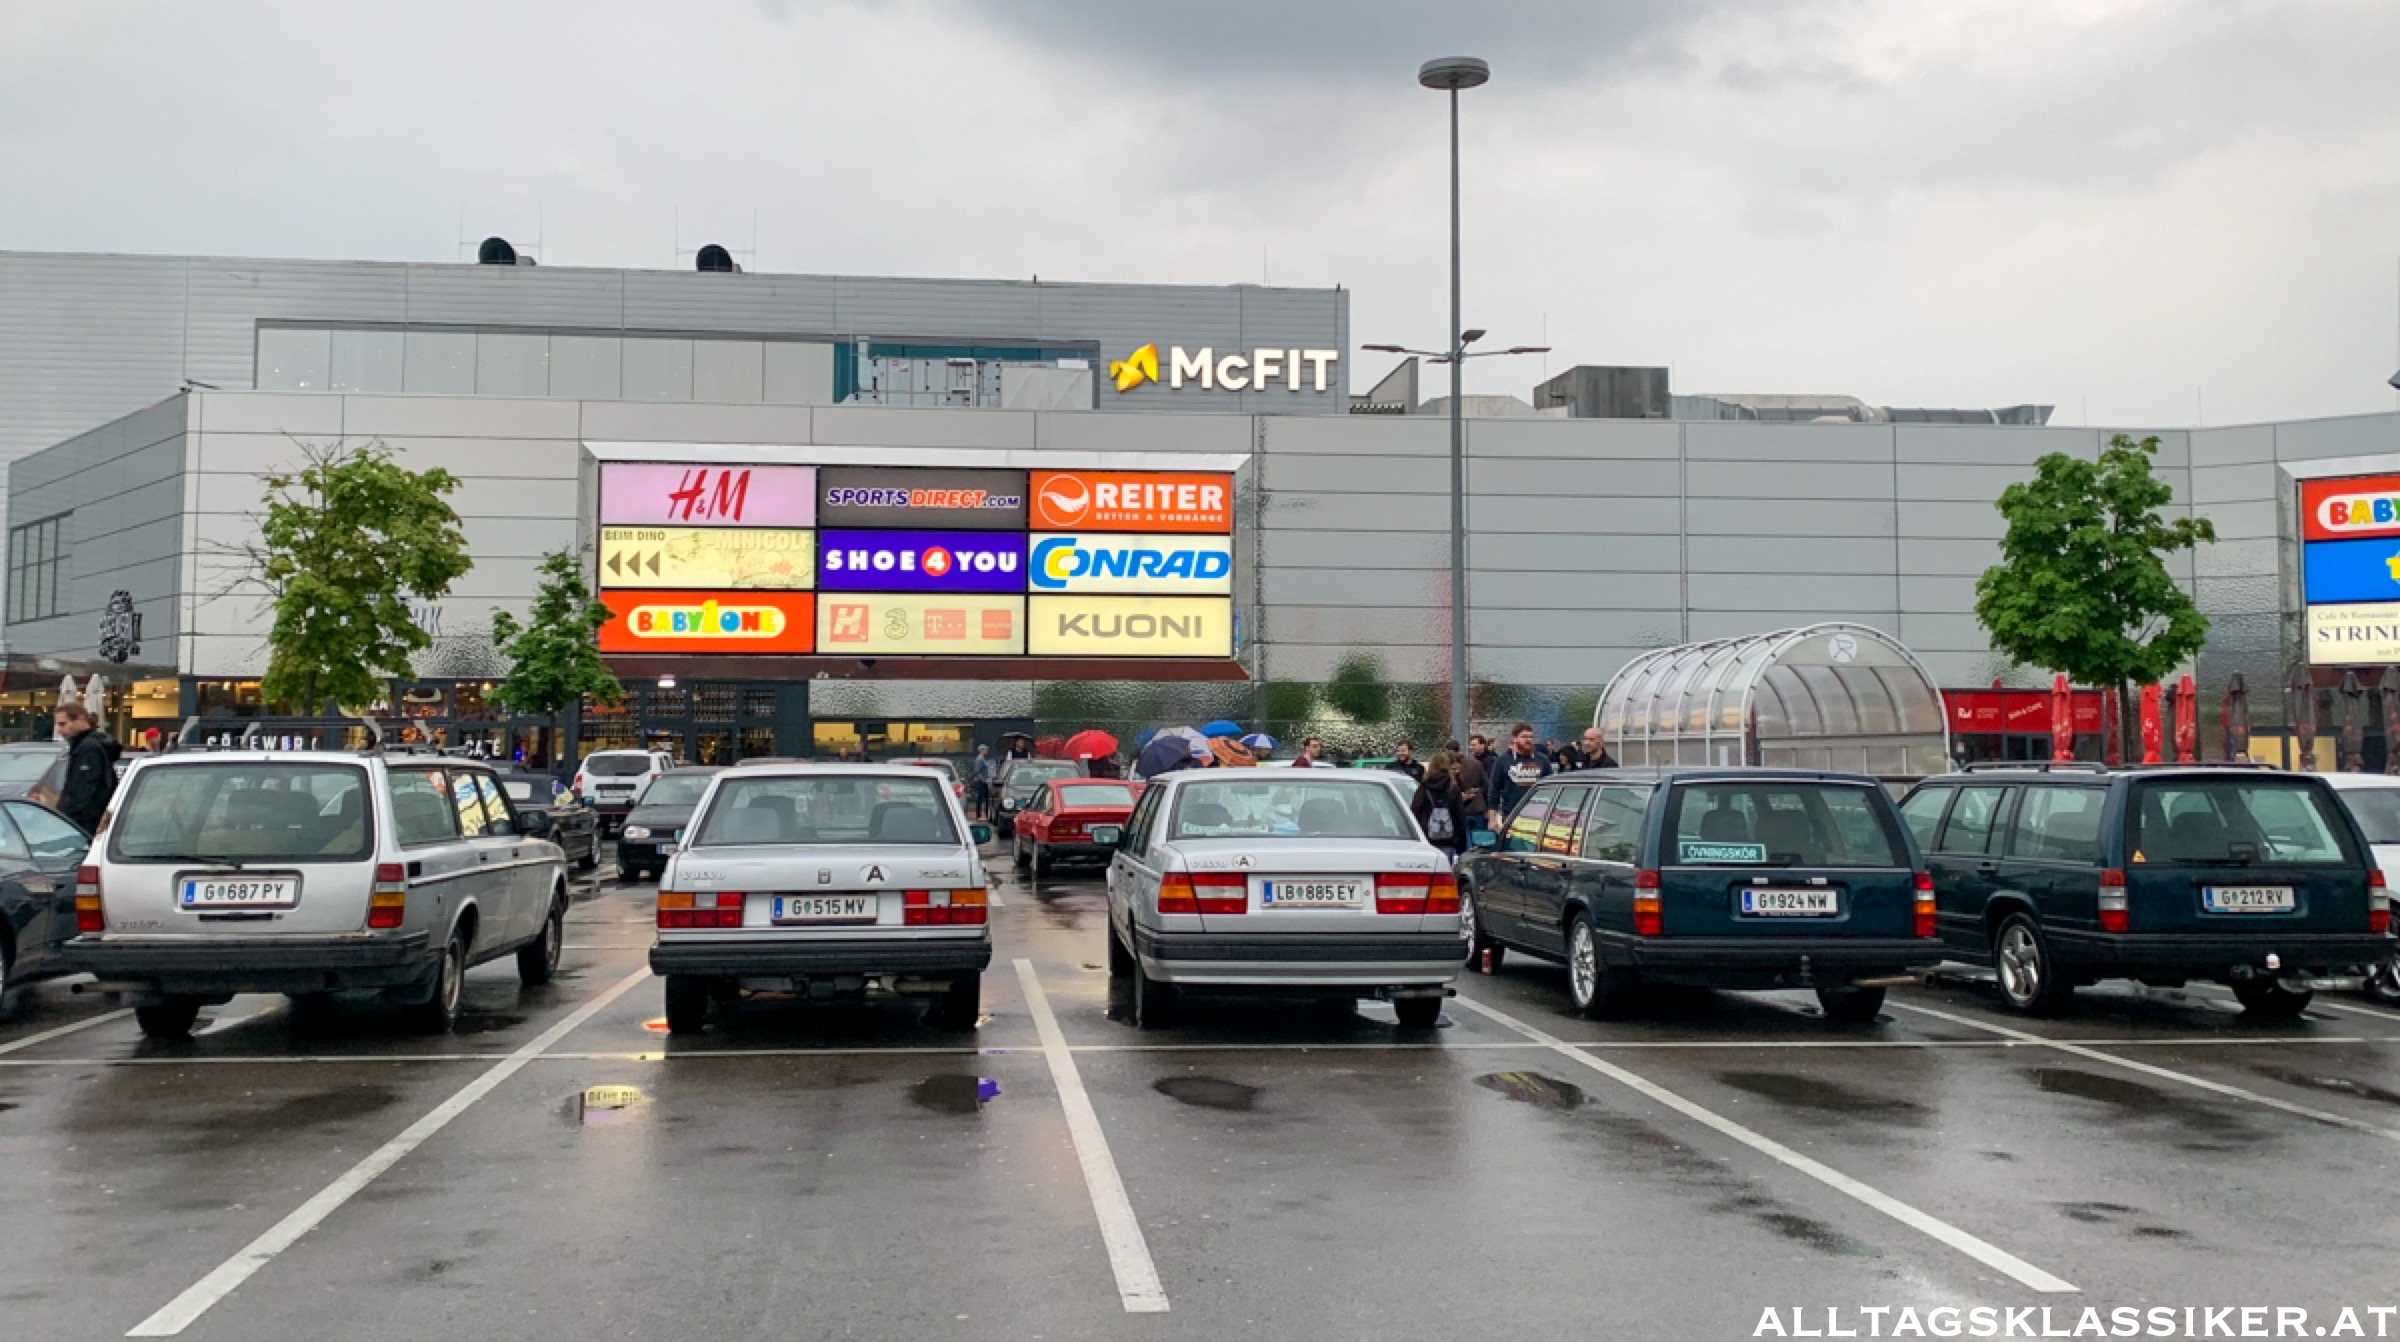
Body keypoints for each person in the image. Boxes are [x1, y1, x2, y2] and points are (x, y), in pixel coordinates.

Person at [54, 703, 121, 833]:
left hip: (84, 824)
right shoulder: (88, 745)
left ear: (80, 720)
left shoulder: (88, 748)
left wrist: (68, 817)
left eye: (63, 724)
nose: (59, 730)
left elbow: (83, 790)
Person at [1486, 721, 1552, 832]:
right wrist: (1492, 819)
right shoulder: (1502, 761)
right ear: (1514, 738)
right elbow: (1494, 791)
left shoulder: (1542, 760)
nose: (1528, 740)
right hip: (1512, 815)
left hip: (1539, 816)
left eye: (1531, 737)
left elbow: (1550, 787)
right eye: (1524, 737)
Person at [1412, 752, 1471, 859]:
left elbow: (1415, 811)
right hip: (1449, 839)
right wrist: (1461, 845)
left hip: (1428, 839)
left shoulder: (1424, 788)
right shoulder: (1453, 788)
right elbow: (1460, 816)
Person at [1447, 737, 1487, 817]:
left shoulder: (1445, 765)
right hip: (1477, 807)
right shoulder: (1476, 763)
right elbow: (1486, 785)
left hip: (1457, 811)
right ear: (1459, 749)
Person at [970, 745, 994, 819]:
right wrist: (982, 779)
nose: (986, 751)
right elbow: (977, 771)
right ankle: (978, 815)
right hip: (981, 781)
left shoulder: (983, 759)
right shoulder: (979, 759)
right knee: (980, 798)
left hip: (984, 781)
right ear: (981, 750)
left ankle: (986, 814)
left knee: (986, 798)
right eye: (985, 749)